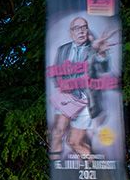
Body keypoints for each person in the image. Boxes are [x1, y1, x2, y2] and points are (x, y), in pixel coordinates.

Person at [49, 16, 115, 160]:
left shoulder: (94, 48)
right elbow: (55, 72)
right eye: (77, 28)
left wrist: (102, 53)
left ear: (87, 30)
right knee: (57, 132)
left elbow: (104, 68)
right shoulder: (63, 49)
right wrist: (63, 87)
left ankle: (93, 170)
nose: (81, 31)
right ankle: (56, 169)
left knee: (74, 142)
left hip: (86, 100)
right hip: (67, 97)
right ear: (71, 32)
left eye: (84, 27)